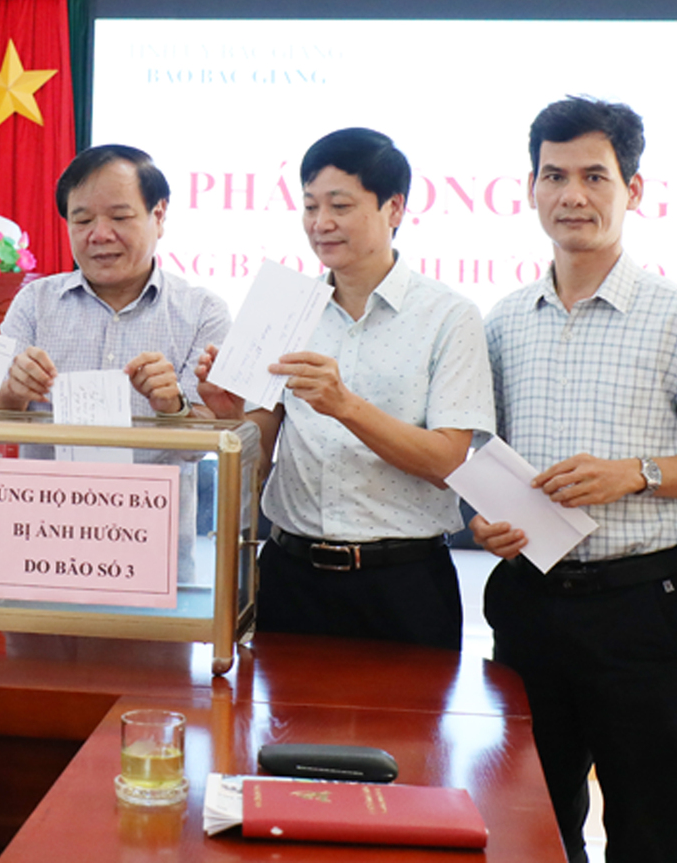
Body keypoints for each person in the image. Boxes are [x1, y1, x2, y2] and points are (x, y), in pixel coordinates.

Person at [472, 96, 677, 863]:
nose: (574, 195)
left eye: (596, 176)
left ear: (635, 190)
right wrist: (482, 523)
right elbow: (482, 457)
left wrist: (636, 474)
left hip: (638, 608)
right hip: (529, 599)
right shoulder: (502, 321)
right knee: (532, 809)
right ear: (529, 189)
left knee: (646, 814)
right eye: (554, 176)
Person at [197, 127, 493, 651]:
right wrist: (231, 417)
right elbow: (258, 454)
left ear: (394, 208)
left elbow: (448, 462)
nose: (320, 223)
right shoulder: (283, 305)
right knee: (285, 732)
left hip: (402, 583)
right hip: (292, 577)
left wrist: (345, 406)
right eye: (309, 206)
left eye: (340, 205)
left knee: (406, 735)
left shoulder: (449, 316)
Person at [0, 144, 229, 580]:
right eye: (82, 220)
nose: (99, 235)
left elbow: (211, 441)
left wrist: (171, 407)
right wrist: (12, 388)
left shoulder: (203, 313)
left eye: (120, 218)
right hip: (41, 544)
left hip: (153, 556)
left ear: (159, 216)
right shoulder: (35, 303)